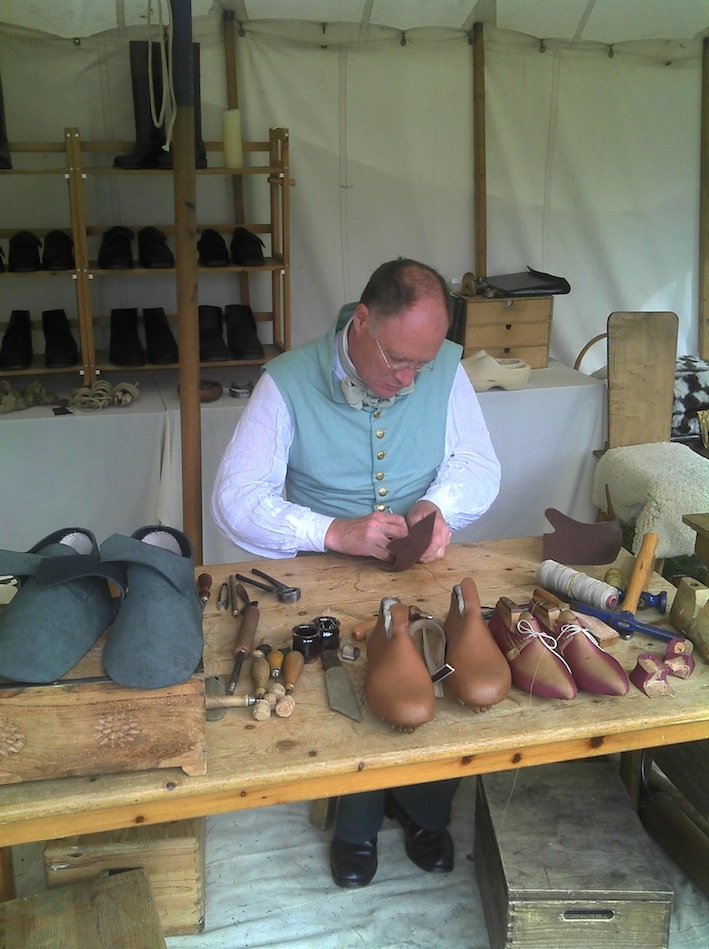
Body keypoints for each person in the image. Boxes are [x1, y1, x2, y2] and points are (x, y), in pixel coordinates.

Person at [212, 258, 501, 888]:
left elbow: (479, 464)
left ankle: (425, 812)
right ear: (362, 321)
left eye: (422, 365)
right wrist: (333, 532)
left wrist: (439, 505)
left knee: (442, 676)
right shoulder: (287, 381)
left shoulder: (440, 367)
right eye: (399, 361)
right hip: (327, 575)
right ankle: (356, 825)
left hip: (421, 568)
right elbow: (234, 499)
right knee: (343, 692)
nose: (409, 380)